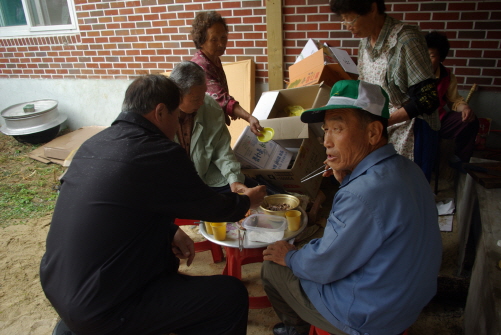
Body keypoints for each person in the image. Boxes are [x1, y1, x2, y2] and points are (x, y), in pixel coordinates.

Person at [40, 74, 267, 335]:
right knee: (230, 296)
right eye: (176, 115)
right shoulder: (156, 151)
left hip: (60, 287)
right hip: (104, 307)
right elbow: (212, 207)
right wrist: (246, 201)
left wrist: (169, 230)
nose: (177, 124)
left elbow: (120, 207)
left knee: (163, 259)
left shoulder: (93, 144)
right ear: (160, 112)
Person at [261, 80, 442, 335]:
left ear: (373, 133)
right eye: (326, 130)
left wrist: (289, 256)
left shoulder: (361, 194)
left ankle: (295, 329)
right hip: (408, 302)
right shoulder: (408, 168)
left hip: (369, 316)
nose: (326, 141)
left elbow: (324, 265)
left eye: (338, 128)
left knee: (272, 266)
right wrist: (347, 180)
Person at [329, 0, 440, 181]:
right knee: (383, 183)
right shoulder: (365, 42)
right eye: (344, 21)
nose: (348, 27)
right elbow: (365, 87)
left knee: (407, 187)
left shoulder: (406, 40)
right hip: (382, 125)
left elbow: (427, 98)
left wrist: (384, 123)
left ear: (372, 8)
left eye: (352, 20)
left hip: (412, 128)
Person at [169, 61, 252, 193]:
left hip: (206, 179)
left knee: (247, 187)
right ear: (177, 95)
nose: (202, 102)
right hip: (172, 186)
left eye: (203, 95)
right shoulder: (160, 116)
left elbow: (222, 150)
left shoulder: (210, 107)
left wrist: (234, 180)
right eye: (196, 99)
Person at [190, 10, 263, 136]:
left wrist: (229, 111)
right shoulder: (200, 65)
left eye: (223, 37)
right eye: (214, 40)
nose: (221, 44)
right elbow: (220, 98)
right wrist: (249, 117)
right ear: (201, 42)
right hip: (202, 128)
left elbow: (220, 94)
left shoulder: (214, 58)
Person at [425, 31, 480, 163]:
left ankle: (460, 160)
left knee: (469, 121)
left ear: (441, 58)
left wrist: (465, 108)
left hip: (438, 120)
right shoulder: (412, 72)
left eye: (431, 56)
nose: (426, 61)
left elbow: (454, 100)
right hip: (413, 120)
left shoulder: (446, 76)